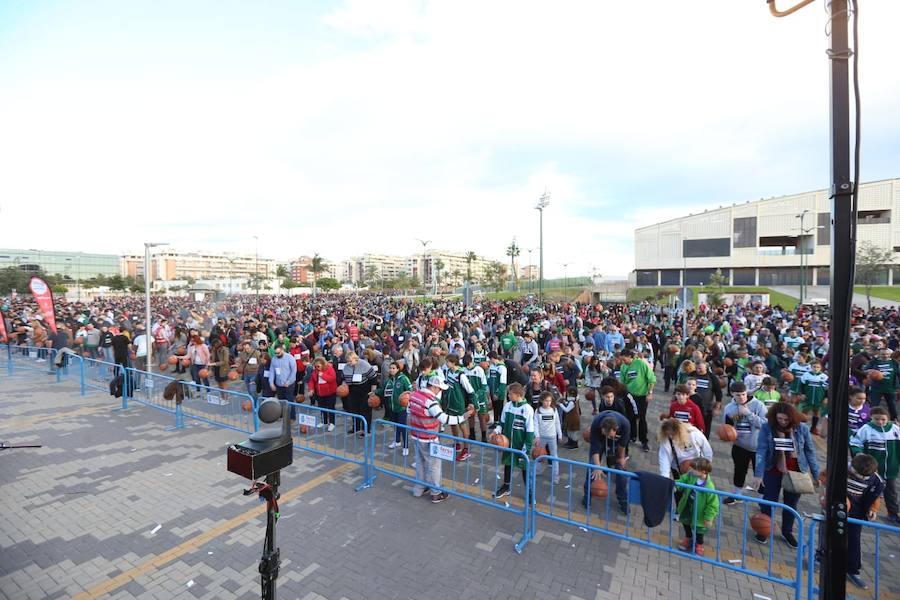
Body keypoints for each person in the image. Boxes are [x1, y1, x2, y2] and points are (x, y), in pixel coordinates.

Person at [754, 402, 820, 548]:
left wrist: (816, 474)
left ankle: (787, 531)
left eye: (786, 419)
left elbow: (810, 451)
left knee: (791, 504)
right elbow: (761, 450)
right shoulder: (767, 427)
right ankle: (764, 528)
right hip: (773, 469)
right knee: (769, 500)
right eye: (780, 419)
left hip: (795, 471)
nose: (783, 422)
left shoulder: (802, 428)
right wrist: (758, 474)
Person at [407, 376, 475, 503]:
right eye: (439, 389)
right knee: (434, 466)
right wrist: (463, 417)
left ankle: (419, 488)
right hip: (429, 438)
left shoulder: (414, 395)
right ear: (433, 387)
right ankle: (436, 493)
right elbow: (445, 419)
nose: (440, 392)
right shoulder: (430, 402)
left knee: (420, 462)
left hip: (415, 435)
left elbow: (408, 411)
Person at [850, 406, 900, 525]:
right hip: (871, 468)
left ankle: (893, 512)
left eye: (883, 419)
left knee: (891, 491)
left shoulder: (895, 429)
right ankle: (865, 510)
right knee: (870, 490)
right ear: (871, 417)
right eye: (877, 419)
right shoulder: (866, 429)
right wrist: (859, 454)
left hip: (891, 468)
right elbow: (855, 442)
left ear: (888, 418)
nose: (880, 422)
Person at [722, 382, 767, 505]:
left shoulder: (758, 405)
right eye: (738, 395)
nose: (742, 397)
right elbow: (727, 427)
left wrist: (748, 414)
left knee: (760, 474)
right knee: (739, 470)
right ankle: (737, 495)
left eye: (743, 394)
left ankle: (763, 500)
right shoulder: (729, 408)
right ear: (732, 394)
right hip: (740, 445)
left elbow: (765, 424)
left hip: (758, 447)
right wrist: (727, 434)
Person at [492, 382, 535, 500]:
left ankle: (530, 492)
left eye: (510, 394)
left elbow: (530, 430)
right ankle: (506, 487)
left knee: (525, 468)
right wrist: (496, 431)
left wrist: (527, 446)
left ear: (518, 395)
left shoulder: (527, 409)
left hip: (521, 445)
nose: (508, 396)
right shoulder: (508, 406)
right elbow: (502, 423)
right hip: (508, 443)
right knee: (508, 464)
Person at [583, 410, 631, 513]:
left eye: (609, 435)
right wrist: (597, 467)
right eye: (605, 434)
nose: (607, 437)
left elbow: (623, 445)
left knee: (621, 472)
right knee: (592, 467)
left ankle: (623, 500)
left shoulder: (625, 425)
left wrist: (621, 459)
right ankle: (587, 496)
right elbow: (595, 448)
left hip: (617, 444)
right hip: (599, 442)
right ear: (602, 428)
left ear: (616, 429)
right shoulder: (596, 423)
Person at [675, 457, 719, 557]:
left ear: (703, 471)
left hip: (700, 512)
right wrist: (676, 485)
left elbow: (713, 504)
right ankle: (688, 537)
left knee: (699, 529)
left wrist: (708, 517)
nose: (691, 470)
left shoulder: (709, 486)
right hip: (688, 505)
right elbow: (683, 480)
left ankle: (699, 544)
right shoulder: (691, 475)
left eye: (694, 469)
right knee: (685, 522)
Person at [619, 348, 656, 452]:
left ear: (630, 357)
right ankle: (632, 435)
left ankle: (644, 441)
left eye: (624, 359)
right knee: (630, 417)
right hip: (629, 396)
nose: (623, 362)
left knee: (642, 418)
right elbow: (622, 382)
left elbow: (651, 379)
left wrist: (650, 393)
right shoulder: (623, 367)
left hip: (642, 396)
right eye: (622, 360)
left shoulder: (641, 364)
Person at [374, 361, 412, 454]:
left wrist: (407, 400)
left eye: (394, 368)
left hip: (402, 408)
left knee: (402, 427)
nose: (391, 370)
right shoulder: (388, 380)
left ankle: (406, 446)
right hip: (392, 407)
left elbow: (410, 390)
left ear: (398, 369)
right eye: (390, 368)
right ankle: (397, 441)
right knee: (395, 425)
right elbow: (382, 390)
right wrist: (374, 392)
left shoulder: (403, 379)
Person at [443, 354, 475, 461]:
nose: (446, 363)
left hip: (459, 405)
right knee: (452, 423)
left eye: (448, 362)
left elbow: (470, 390)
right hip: (450, 403)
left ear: (453, 363)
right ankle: (456, 443)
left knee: (462, 426)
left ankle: (466, 449)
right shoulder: (448, 372)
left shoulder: (461, 375)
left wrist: (472, 404)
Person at [342, 351, 378, 436]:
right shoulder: (346, 367)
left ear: (356, 359)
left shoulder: (365, 365)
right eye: (348, 361)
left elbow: (373, 379)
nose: (349, 363)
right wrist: (343, 386)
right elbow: (344, 379)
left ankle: (366, 429)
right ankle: (356, 427)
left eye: (350, 361)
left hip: (365, 392)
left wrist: (373, 392)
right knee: (354, 410)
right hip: (352, 393)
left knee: (365, 411)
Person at [535, 391, 562, 484]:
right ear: (541, 400)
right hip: (542, 437)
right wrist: (537, 436)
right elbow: (535, 424)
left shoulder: (554, 410)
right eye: (546, 401)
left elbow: (557, 422)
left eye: (549, 401)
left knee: (554, 456)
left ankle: (555, 475)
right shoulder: (538, 411)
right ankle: (538, 470)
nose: (548, 403)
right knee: (538, 455)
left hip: (552, 437)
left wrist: (560, 434)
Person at [865, 347, 899, 422]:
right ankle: (870, 420)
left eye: (887, 354)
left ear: (890, 354)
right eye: (883, 354)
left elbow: (898, 374)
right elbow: (865, 369)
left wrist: (898, 386)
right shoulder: (874, 361)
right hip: (876, 388)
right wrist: (871, 371)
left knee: (892, 405)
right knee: (874, 405)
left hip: (890, 388)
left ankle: (894, 420)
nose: (885, 356)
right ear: (879, 354)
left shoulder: (894, 362)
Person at [799, 359, 828, 435]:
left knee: (816, 412)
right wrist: (802, 394)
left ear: (821, 368)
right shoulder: (806, 375)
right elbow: (801, 385)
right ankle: (800, 427)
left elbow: (827, 389)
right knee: (804, 412)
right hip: (808, 397)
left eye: (818, 367)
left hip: (819, 398)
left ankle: (814, 428)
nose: (816, 369)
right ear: (811, 367)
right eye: (814, 367)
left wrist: (826, 397)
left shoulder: (824, 377)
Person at [309, 356, 337, 431]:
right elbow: (312, 380)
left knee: (331, 408)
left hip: (330, 393)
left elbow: (332, 378)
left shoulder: (329, 369)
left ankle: (332, 423)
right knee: (322, 407)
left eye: (318, 366)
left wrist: (323, 375)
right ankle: (324, 421)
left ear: (323, 364)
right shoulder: (315, 371)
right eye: (315, 366)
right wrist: (311, 389)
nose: (317, 368)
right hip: (320, 393)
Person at [487, 351, 508, 423]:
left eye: (490, 359)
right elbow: (489, 379)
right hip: (492, 391)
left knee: (500, 409)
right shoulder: (491, 366)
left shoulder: (502, 368)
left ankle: (501, 424)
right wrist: (489, 391)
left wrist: (497, 393)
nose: (489, 361)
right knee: (494, 408)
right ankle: (495, 422)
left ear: (492, 358)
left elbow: (503, 383)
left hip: (499, 393)